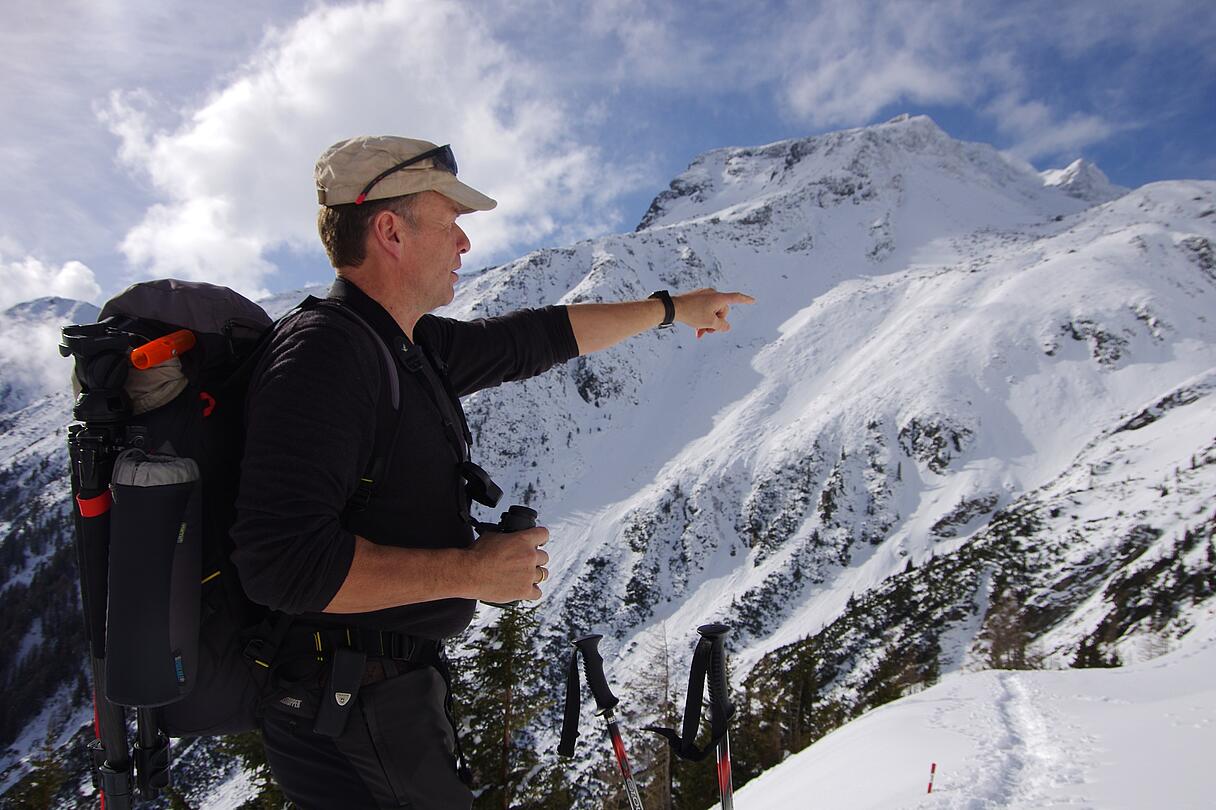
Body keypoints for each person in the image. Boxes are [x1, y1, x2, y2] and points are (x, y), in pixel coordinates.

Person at [230, 135, 754, 809]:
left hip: (377, 703)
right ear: (390, 231)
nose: (464, 243)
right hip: (346, 713)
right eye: (449, 222)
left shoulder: (405, 344)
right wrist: (470, 573)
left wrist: (672, 310)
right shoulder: (327, 353)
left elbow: (537, 338)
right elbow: (281, 565)